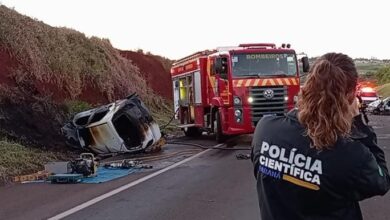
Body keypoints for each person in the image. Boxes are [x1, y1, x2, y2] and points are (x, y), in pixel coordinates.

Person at [251, 53, 390, 220]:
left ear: (308, 86)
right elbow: (381, 181)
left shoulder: (265, 129)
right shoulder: (350, 154)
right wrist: (358, 123)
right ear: (351, 95)